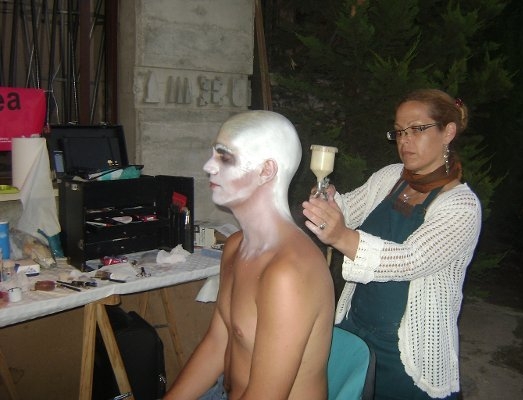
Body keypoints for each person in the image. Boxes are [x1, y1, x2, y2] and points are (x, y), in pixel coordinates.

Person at [302, 89, 482, 400]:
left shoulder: (461, 206)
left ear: (448, 132)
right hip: (356, 326)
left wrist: (341, 236)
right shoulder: (391, 177)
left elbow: (411, 259)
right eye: (399, 131)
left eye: (417, 129)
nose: (405, 140)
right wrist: (329, 202)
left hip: (408, 352)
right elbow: (349, 210)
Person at [164, 110, 335, 400]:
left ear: (266, 171)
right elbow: (218, 342)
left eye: (225, 157)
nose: (208, 166)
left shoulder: (288, 273)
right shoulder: (235, 246)